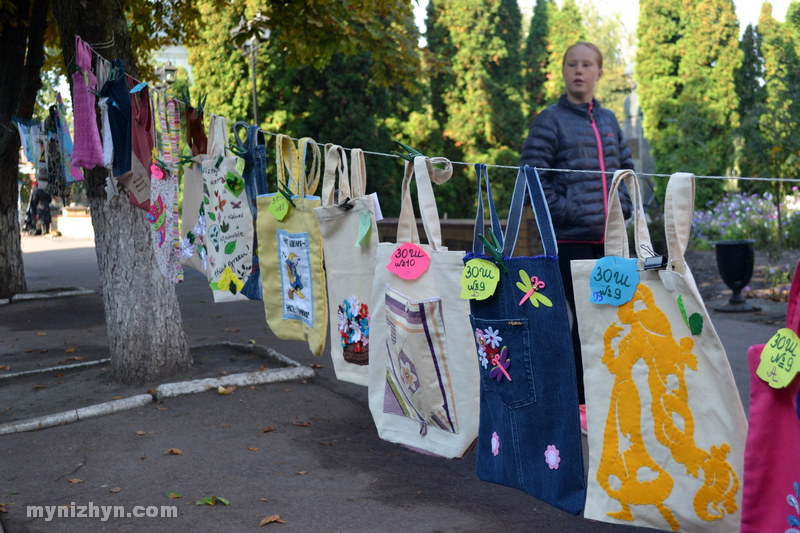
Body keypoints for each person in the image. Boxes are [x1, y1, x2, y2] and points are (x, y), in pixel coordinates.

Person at [519, 41, 634, 434]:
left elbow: (626, 168)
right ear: (564, 72)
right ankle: (577, 402)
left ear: (600, 73)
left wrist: (625, 209)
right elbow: (533, 177)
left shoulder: (609, 121)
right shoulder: (549, 120)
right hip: (569, 239)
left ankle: (588, 394)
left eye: (587, 65)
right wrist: (568, 212)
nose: (579, 71)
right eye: (572, 64)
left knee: (606, 314)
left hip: (609, 239)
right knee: (586, 316)